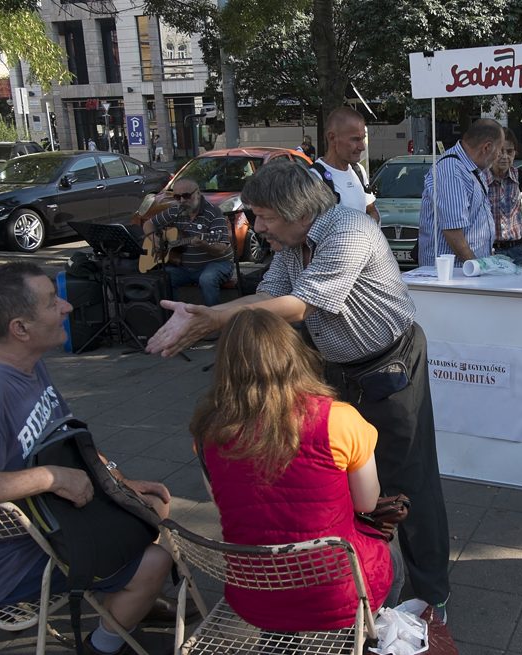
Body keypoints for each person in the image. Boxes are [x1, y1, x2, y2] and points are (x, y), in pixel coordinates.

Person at [144, 159, 452, 621]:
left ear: (297, 210)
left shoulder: (347, 230)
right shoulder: (292, 244)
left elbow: (302, 304)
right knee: (345, 476)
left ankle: (432, 597)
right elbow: (264, 300)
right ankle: (352, 576)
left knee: (412, 482)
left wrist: (215, 320)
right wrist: (206, 317)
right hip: (339, 367)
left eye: (264, 216)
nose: (256, 227)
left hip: (390, 367)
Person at [0, 263, 175, 655]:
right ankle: (103, 644)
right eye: (53, 301)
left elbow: (69, 436)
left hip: (48, 523)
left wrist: (116, 481)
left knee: (151, 505)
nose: (68, 306)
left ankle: (129, 602)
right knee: (155, 559)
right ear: (20, 328)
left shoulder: (25, 364)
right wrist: (50, 477)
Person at [190, 309, 394, 631]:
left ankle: (277, 644)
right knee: (391, 561)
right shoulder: (339, 419)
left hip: (254, 594)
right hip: (336, 592)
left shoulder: (208, 432)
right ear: (293, 355)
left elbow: (221, 504)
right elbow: (367, 504)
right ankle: (363, 640)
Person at [417, 118, 503, 267]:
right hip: (452, 276)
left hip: (464, 273)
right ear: (487, 148)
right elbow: (453, 231)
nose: (499, 156)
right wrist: (476, 267)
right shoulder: (451, 170)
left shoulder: (471, 168)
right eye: (499, 150)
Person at [143, 177, 234, 306]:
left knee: (207, 279)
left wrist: (205, 245)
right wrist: (155, 240)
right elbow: (148, 224)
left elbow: (222, 248)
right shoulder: (176, 211)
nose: (182, 201)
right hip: (184, 267)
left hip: (216, 263)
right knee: (162, 278)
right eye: (177, 197)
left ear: (197, 193)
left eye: (186, 196)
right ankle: (173, 317)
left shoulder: (213, 212)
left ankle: (213, 319)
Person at [311, 106, 379, 220]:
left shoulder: (359, 171)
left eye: (363, 139)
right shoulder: (314, 178)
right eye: (355, 139)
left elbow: (371, 210)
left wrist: (368, 228)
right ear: (332, 138)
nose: (362, 147)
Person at [487, 127, 522, 267]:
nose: (505, 156)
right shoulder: (481, 179)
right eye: (500, 151)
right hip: (489, 250)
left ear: (515, 153)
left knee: (518, 288)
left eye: (509, 151)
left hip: (516, 249)